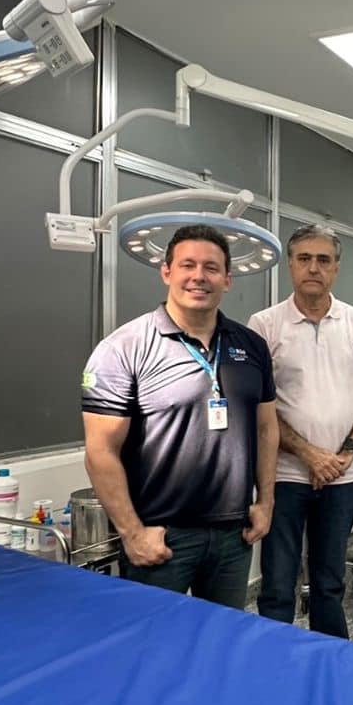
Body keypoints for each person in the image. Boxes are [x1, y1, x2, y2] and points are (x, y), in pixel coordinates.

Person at [81, 224, 278, 609]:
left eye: (211, 267)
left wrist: (266, 501)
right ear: (166, 272)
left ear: (227, 280)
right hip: (161, 537)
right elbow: (100, 451)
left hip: (233, 536)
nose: (199, 276)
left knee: (222, 638)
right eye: (188, 265)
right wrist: (132, 533)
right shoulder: (123, 348)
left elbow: (267, 429)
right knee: (155, 641)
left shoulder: (251, 346)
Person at [249, 223, 353, 637]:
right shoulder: (264, 324)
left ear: (336, 268)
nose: (313, 268)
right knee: (277, 585)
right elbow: (258, 407)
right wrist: (310, 455)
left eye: (323, 260)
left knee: (329, 583)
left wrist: (347, 452)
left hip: (343, 476)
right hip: (284, 477)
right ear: (290, 264)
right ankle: (276, 662)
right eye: (304, 258)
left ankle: (330, 662)